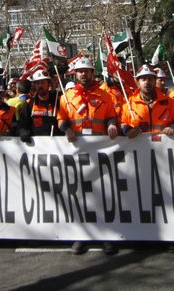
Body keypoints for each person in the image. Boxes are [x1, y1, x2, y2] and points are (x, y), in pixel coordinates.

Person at [56, 56, 119, 256]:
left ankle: (106, 236)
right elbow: (61, 119)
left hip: (100, 151)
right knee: (79, 195)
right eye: (80, 71)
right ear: (76, 74)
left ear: (93, 73)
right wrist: (67, 130)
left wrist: (111, 124)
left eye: (87, 71)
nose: (84, 74)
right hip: (77, 152)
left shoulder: (105, 95)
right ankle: (81, 236)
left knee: (102, 195)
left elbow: (111, 115)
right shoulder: (66, 96)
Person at [121, 64, 174, 137]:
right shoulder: (129, 104)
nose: (147, 82)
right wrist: (128, 130)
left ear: (155, 81)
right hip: (138, 146)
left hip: (163, 146)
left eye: (150, 79)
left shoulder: (169, 103)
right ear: (137, 82)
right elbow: (121, 123)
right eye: (143, 79)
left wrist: (173, 127)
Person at [20, 70, 59, 138]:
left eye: (43, 82)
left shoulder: (57, 101)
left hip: (57, 144)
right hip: (36, 145)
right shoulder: (28, 104)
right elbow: (22, 124)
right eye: (37, 83)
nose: (40, 85)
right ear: (34, 85)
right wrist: (23, 131)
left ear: (49, 84)